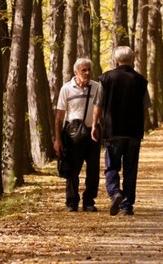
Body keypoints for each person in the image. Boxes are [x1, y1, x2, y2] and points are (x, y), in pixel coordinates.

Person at [91, 46, 151, 216]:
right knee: (131, 168)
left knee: (112, 167)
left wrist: (94, 125)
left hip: (113, 130)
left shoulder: (106, 78)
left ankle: (115, 192)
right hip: (133, 132)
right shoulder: (140, 81)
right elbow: (145, 108)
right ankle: (127, 206)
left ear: (116, 60)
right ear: (132, 60)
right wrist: (143, 128)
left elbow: (98, 104)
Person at [55, 57, 102, 212]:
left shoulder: (97, 87)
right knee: (72, 169)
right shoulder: (66, 89)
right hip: (72, 133)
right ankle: (72, 201)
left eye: (89, 69)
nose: (87, 73)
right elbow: (60, 116)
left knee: (93, 169)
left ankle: (89, 201)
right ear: (76, 72)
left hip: (92, 132)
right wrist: (58, 139)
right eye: (84, 70)